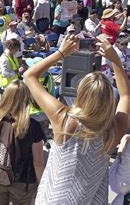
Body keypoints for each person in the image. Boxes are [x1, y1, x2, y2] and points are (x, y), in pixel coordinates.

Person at [24, 34, 130, 204]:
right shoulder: (113, 130)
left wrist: (61, 52)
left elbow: (29, 76)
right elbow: (126, 96)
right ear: (110, 99)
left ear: (80, 94)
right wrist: (115, 59)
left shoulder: (65, 120)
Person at [0, 80, 45, 204]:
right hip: (23, 180)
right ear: (27, 99)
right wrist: (42, 185)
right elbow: (38, 162)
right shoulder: (33, 126)